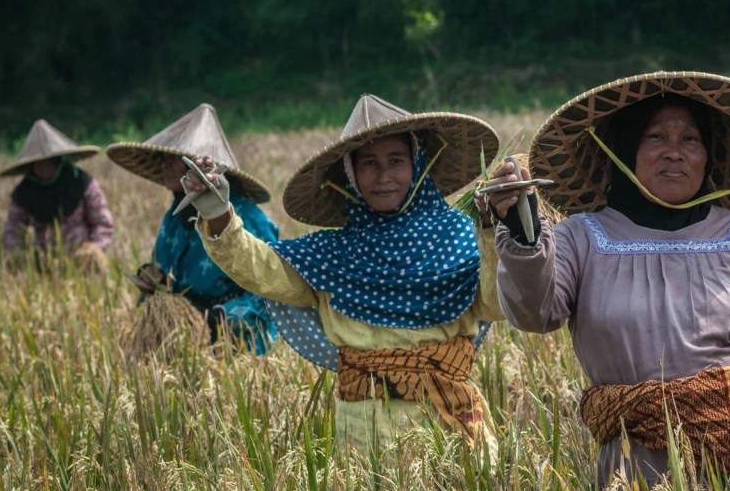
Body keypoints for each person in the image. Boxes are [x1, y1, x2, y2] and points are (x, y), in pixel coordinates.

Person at [482, 71, 730, 491]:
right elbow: (535, 313)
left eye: (690, 140)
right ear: (624, 149)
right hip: (645, 462)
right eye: (656, 137)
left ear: (708, 155)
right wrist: (524, 233)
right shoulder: (582, 238)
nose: (675, 152)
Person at [180, 94, 503, 454]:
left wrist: (498, 233)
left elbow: (495, 303)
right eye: (369, 163)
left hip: (449, 419)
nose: (383, 176)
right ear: (350, 174)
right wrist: (217, 212)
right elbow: (263, 269)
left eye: (396, 160)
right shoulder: (331, 256)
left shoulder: (458, 235)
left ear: (417, 164)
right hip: (366, 432)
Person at [106, 104, 279, 354]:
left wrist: (218, 318)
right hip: (186, 335)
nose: (163, 165)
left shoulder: (248, 216)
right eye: (161, 159)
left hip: (238, 341)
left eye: (172, 159)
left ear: (197, 167)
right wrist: (154, 277)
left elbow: (268, 291)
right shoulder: (175, 216)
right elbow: (163, 265)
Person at [1, 119, 114, 269]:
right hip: (41, 264)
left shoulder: (81, 182)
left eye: (46, 163)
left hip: (81, 263)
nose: (42, 168)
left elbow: (103, 223)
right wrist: (17, 255)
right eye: (37, 164)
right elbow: (12, 229)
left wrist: (94, 249)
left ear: (57, 161)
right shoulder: (25, 192)